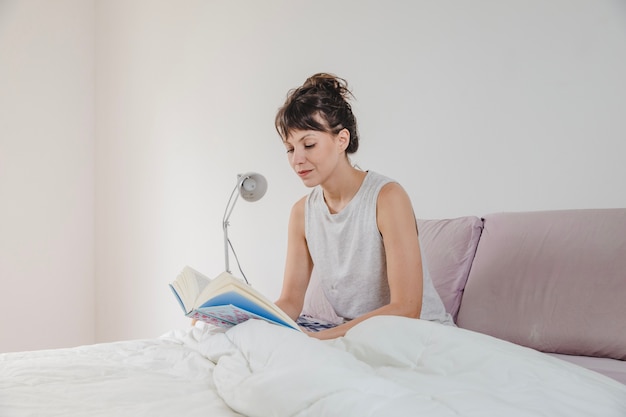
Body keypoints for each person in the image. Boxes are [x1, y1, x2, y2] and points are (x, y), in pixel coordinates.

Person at [273, 73, 453, 340]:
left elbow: (407, 308)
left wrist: (322, 339)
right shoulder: (302, 213)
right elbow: (290, 302)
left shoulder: (387, 198)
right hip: (355, 338)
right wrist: (249, 320)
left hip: (418, 336)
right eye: (290, 149)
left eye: (309, 144)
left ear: (341, 140)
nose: (297, 160)